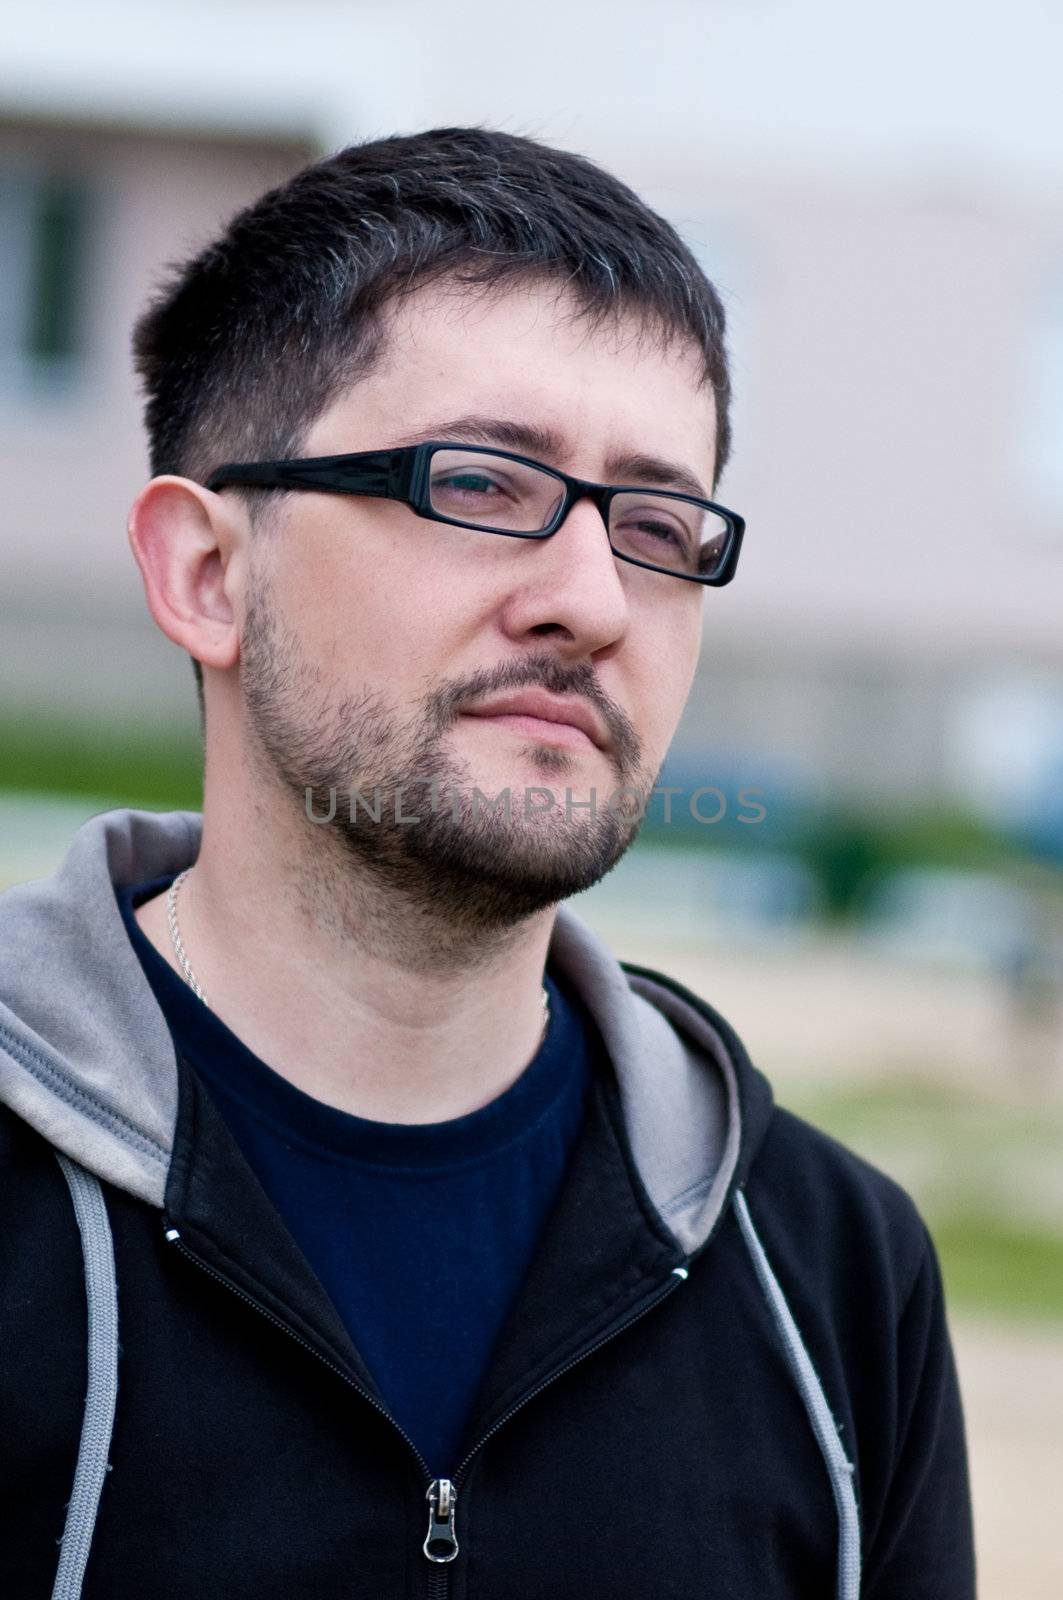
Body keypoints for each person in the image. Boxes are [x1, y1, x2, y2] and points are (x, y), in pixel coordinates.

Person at [0, 127, 974, 1599]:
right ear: (208, 574)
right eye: (481, 483)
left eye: (656, 522)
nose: (591, 599)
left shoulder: (835, 1275)